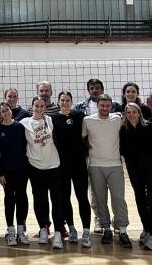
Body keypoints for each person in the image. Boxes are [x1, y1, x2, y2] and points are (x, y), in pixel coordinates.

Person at [82, 94, 132, 248]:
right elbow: (83, 139)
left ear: (111, 106)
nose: (104, 108)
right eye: (102, 105)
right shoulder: (88, 121)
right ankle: (106, 229)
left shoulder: (118, 119)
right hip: (95, 166)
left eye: (107, 106)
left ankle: (122, 230)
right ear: (97, 105)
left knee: (118, 199)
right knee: (100, 200)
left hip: (115, 165)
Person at [119, 82, 152, 229]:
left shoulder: (145, 111)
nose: (130, 94)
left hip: (149, 160)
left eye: (133, 91)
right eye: (128, 91)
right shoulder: (120, 111)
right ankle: (147, 227)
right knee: (140, 195)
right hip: (133, 163)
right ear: (124, 94)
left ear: (137, 93)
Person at [73, 79, 119, 232]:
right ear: (88, 90)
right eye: (91, 88)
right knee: (95, 191)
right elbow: (80, 134)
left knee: (116, 193)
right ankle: (99, 218)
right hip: (90, 156)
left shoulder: (114, 107)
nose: (94, 90)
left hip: (111, 156)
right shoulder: (80, 108)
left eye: (97, 88)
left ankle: (117, 219)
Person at [21, 97, 64, 249]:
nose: (39, 108)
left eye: (42, 106)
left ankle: (58, 232)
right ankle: (43, 229)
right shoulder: (24, 123)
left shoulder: (51, 120)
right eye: (36, 106)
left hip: (53, 165)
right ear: (31, 106)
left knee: (57, 200)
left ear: (45, 107)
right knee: (40, 200)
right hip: (35, 166)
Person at [51, 91, 91, 248]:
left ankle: (86, 231)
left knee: (82, 197)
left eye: (67, 100)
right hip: (62, 165)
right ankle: (72, 229)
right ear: (58, 102)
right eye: (62, 100)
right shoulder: (53, 119)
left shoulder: (79, 116)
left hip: (79, 164)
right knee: (65, 198)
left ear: (71, 101)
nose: (65, 102)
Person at [120, 103, 152, 251]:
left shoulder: (149, 126)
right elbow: (122, 150)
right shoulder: (123, 130)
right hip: (134, 169)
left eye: (134, 112)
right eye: (128, 112)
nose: (131, 114)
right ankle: (147, 229)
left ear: (139, 113)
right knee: (140, 199)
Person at [0, 102, 29, 246]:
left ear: (11, 111)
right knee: (9, 198)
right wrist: (0, 173)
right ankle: (11, 231)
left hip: (22, 169)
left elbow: (25, 147)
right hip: (6, 171)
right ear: (0, 114)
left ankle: (21, 230)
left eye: (7, 110)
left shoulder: (19, 127)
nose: (5, 113)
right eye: (2, 111)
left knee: (22, 197)